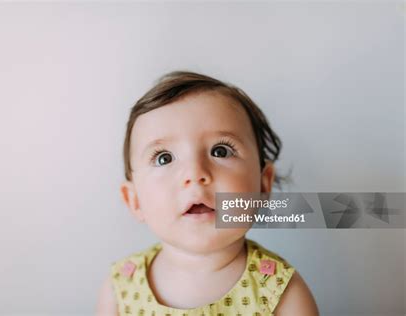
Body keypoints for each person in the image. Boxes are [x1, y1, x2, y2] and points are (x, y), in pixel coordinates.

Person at [96, 71, 318, 315]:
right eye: (164, 158)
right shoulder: (121, 290)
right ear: (134, 200)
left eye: (220, 151)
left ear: (263, 185)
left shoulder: (281, 291)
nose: (195, 173)